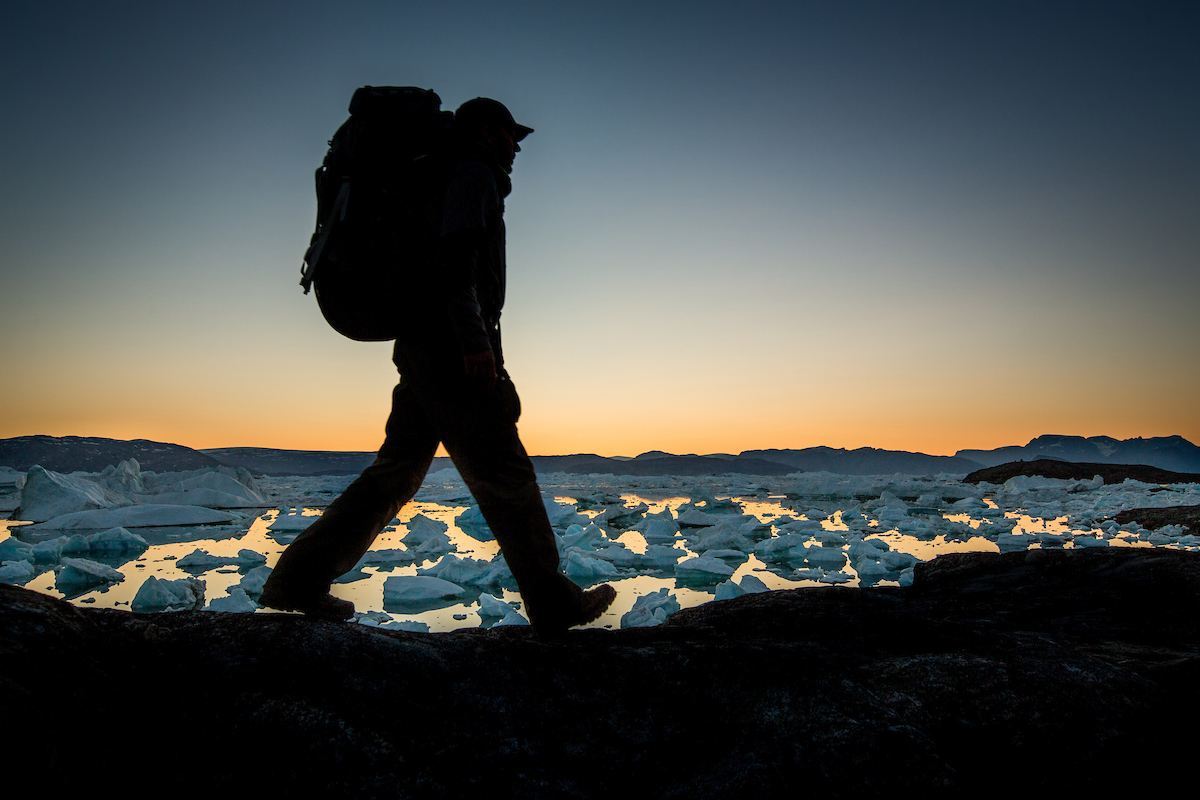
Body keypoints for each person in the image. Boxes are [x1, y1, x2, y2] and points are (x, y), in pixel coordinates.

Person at [260, 97, 617, 637]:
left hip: (423, 348)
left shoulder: (437, 174)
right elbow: (457, 261)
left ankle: (298, 580)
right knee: (505, 473)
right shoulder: (472, 173)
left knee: (395, 472)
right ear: (482, 131)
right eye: (507, 133)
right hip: (451, 350)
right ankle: (552, 601)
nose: (516, 146)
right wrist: (476, 346)